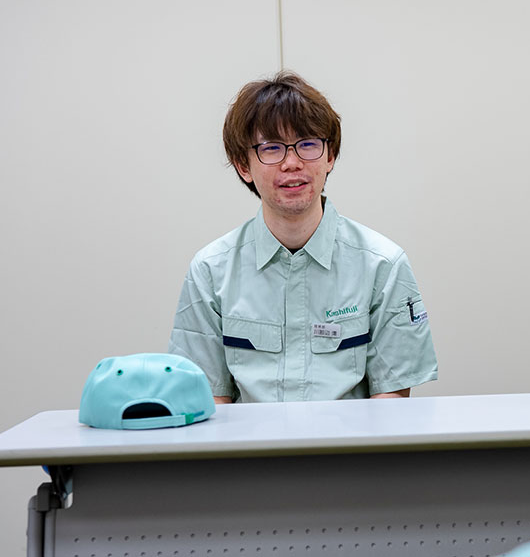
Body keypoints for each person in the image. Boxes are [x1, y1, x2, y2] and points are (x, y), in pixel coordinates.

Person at [169, 72, 438, 403]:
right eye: (271, 148)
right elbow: (210, 401)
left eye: (308, 144)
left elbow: (392, 398)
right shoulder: (210, 271)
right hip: (251, 453)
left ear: (330, 156)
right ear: (243, 165)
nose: (292, 163)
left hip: (347, 453)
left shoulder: (383, 265)